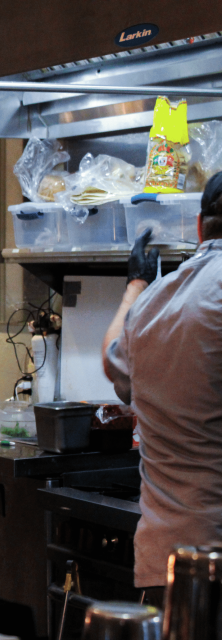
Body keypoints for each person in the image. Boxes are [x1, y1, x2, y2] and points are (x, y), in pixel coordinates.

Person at [103, 173, 222, 594]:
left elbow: (112, 359)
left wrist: (136, 283)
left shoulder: (154, 298)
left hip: (164, 560)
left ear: (197, 226)